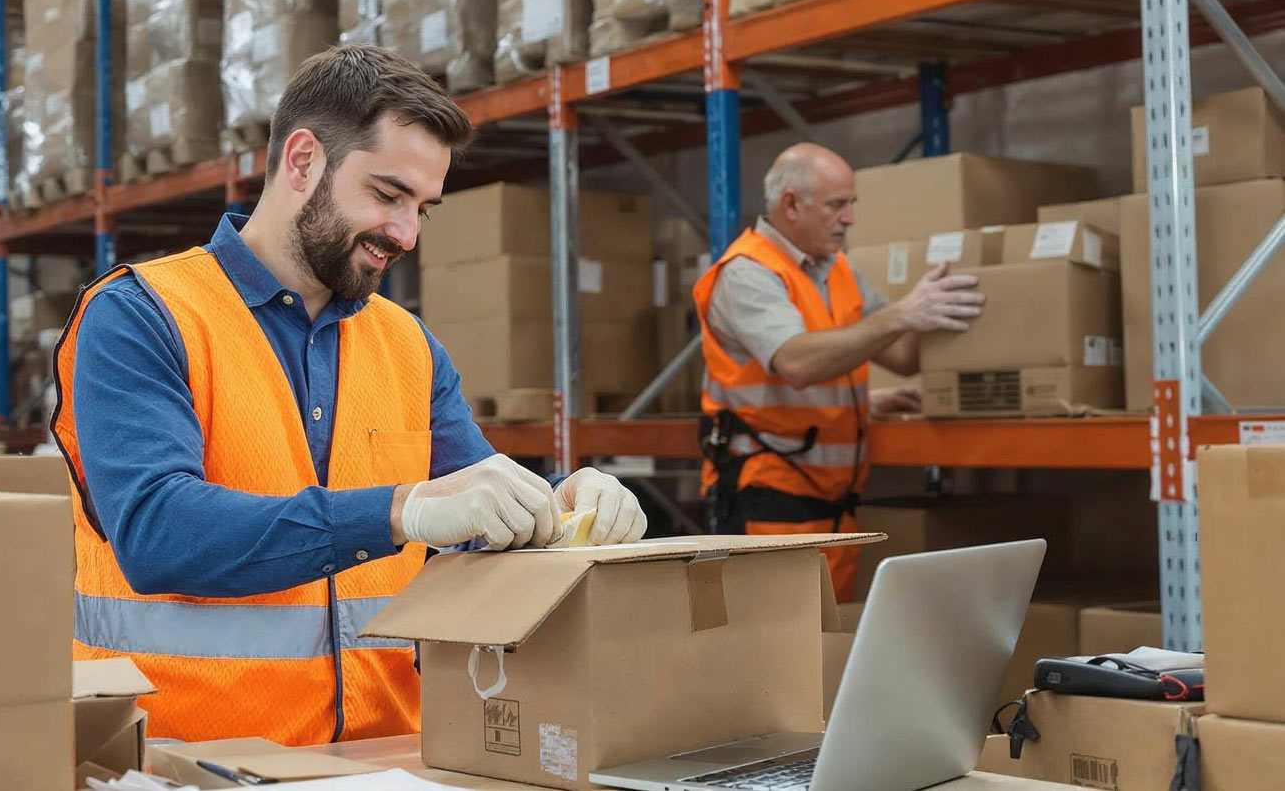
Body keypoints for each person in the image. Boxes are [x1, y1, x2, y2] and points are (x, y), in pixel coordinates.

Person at [50, 45, 647, 747]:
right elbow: (157, 533)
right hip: (185, 758)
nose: (405, 234)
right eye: (389, 195)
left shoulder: (408, 345)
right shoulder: (140, 315)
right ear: (302, 162)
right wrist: (401, 510)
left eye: (424, 208)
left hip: (384, 756)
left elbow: (472, 506)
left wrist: (561, 502)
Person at [693, 143, 983, 601]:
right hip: (770, 504)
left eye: (852, 204)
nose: (850, 218)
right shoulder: (748, 272)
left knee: (823, 654)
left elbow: (902, 356)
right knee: (778, 656)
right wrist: (903, 313)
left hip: (835, 509)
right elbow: (796, 362)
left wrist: (946, 308)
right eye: (837, 205)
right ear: (791, 204)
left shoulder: (837, 270)